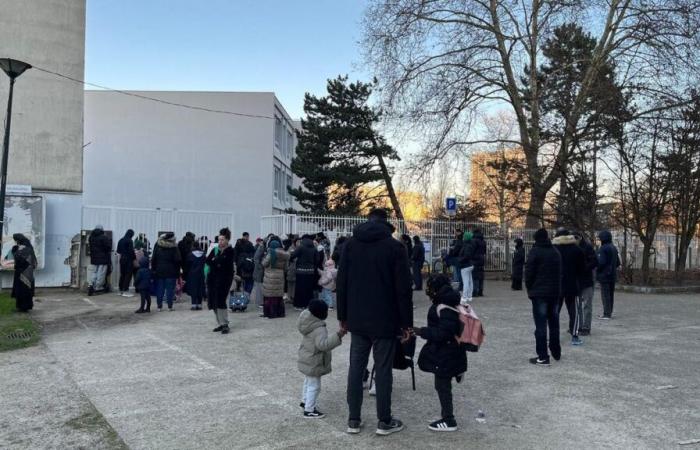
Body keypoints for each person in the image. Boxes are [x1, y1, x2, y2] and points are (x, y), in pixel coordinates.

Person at [337, 208, 413, 436]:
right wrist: (406, 324)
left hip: (357, 319)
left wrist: (343, 317)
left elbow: (342, 283)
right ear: (386, 223)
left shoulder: (350, 245)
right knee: (383, 370)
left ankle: (353, 419)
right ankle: (384, 420)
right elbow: (403, 290)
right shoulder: (395, 247)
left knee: (355, 368)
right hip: (386, 320)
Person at [415, 274, 467, 432]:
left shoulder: (443, 306)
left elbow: (443, 333)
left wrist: (421, 331)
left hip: (447, 353)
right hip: (451, 352)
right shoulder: (449, 301)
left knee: (442, 386)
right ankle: (447, 416)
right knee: (442, 384)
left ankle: (449, 420)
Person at [297, 300, 346, 418]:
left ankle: (304, 401)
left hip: (307, 357)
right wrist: (338, 335)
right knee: (315, 386)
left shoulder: (307, 322)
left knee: (308, 381)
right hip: (315, 360)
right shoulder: (319, 328)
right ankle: (309, 409)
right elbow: (323, 345)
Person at [525, 228, 563, 366]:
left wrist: (530, 289)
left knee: (540, 326)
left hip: (539, 294)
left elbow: (529, 273)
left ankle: (542, 356)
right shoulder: (555, 252)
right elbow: (560, 273)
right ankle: (556, 349)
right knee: (554, 323)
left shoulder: (535, 252)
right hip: (554, 293)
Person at [553, 228, 586, 346]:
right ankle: (575, 335)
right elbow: (582, 269)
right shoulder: (577, 250)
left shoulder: (553, 249)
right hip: (573, 285)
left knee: (554, 311)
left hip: (557, 286)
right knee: (574, 312)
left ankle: (553, 335)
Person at [206, 228, 235, 334]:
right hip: (213, 279)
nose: (220, 242)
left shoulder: (230, 251)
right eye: (219, 240)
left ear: (227, 240)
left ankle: (225, 324)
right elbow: (208, 260)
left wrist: (216, 261)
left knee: (221, 301)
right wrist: (217, 262)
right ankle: (219, 323)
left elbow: (224, 264)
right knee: (213, 301)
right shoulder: (215, 250)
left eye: (222, 239)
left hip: (224, 280)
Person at [3, 234, 38, 312]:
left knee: (24, 289)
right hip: (23, 272)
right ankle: (21, 307)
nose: (15, 242)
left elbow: (24, 260)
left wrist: (16, 252)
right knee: (22, 289)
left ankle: (24, 307)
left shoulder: (26, 249)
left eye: (16, 240)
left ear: (18, 240)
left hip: (25, 272)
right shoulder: (25, 248)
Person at [574, 232, 598, 335]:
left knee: (587, 305)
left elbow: (594, 261)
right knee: (578, 306)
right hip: (577, 280)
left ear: (579, 238)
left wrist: (584, 268)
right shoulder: (572, 248)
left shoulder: (587, 247)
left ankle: (586, 327)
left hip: (587, 280)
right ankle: (578, 326)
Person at [151, 232, 181, 311]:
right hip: (171, 271)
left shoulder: (157, 245)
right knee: (170, 289)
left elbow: (154, 258)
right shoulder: (174, 246)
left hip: (159, 270)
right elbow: (178, 260)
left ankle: (159, 307)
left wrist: (153, 269)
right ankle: (170, 306)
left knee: (160, 289)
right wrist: (178, 272)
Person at [262, 239, 289, 318]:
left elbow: (264, 263)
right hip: (280, 276)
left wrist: (264, 258)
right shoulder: (285, 254)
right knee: (278, 296)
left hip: (270, 275)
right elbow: (286, 268)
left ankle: (270, 313)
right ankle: (280, 313)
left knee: (270, 295)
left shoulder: (271, 253)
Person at [291, 235, 319, 310]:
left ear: (303, 239)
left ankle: (299, 305)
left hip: (301, 271)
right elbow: (317, 259)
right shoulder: (314, 248)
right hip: (310, 272)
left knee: (300, 289)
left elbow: (293, 255)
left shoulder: (301, 247)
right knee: (309, 289)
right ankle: (308, 304)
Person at [596, 230, 620, 320]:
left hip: (604, 275)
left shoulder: (602, 249)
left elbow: (601, 262)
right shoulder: (613, 247)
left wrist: (597, 269)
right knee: (610, 294)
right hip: (612, 275)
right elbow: (618, 262)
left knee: (605, 295)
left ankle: (606, 314)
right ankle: (609, 313)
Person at [87, 225, 112, 296]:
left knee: (94, 272)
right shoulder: (104, 237)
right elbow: (108, 247)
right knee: (101, 273)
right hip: (103, 258)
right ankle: (97, 287)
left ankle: (91, 284)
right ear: (102, 230)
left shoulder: (91, 237)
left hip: (94, 258)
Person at [186, 242, 206, 310]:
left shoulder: (190, 255)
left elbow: (187, 265)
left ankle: (193, 304)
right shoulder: (203, 255)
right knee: (200, 288)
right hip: (201, 273)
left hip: (192, 274)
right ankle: (200, 305)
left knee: (193, 288)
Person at [116, 229, 136, 297]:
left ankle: (120, 289)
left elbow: (118, 251)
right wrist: (134, 258)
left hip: (122, 259)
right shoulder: (130, 241)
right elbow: (131, 251)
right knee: (128, 274)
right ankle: (125, 290)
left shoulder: (120, 240)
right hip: (128, 260)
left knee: (122, 274)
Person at [458, 231, 475, 305]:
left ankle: (464, 297)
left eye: (464, 236)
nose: (463, 237)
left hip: (465, 265)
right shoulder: (471, 245)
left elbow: (466, 256)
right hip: (470, 265)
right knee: (470, 281)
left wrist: (460, 260)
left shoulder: (466, 245)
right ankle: (469, 296)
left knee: (466, 282)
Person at [471, 228, 486, 297]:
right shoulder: (483, 241)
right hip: (482, 259)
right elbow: (484, 251)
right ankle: (480, 291)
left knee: (475, 276)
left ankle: (475, 291)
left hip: (475, 259)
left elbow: (472, 250)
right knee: (481, 276)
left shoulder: (474, 240)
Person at [286, 238, 299, 304]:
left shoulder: (300, 248)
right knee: (290, 283)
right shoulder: (291, 248)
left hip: (297, 268)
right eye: (297, 241)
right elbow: (287, 257)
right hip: (291, 268)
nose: (298, 243)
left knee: (295, 284)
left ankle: (293, 297)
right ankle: (289, 297)